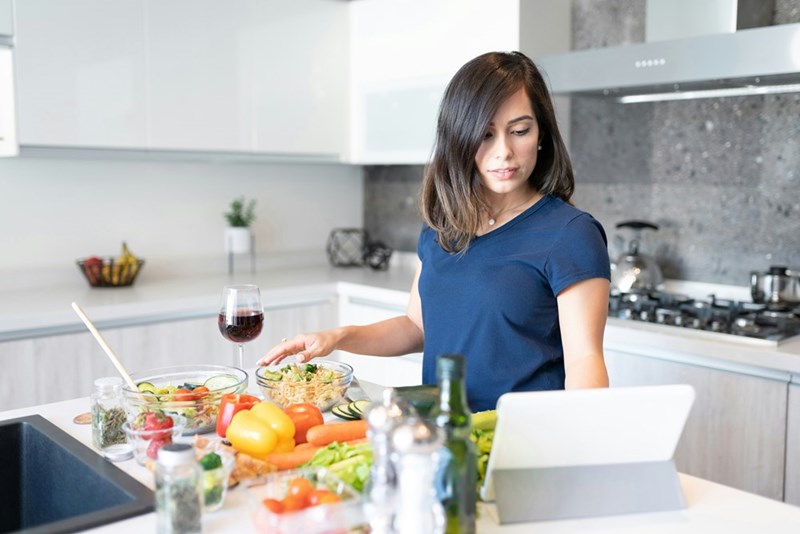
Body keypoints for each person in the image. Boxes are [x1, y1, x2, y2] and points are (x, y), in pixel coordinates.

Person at [259, 51, 611, 411]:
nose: (504, 151)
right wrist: (336, 337)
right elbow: (418, 327)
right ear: (459, 138)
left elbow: (585, 361)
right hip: (444, 436)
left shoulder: (570, 234)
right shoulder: (443, 225)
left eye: (519, 131)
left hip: (521, 442)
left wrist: (577, 449)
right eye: (485, 134)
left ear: (541, 134)